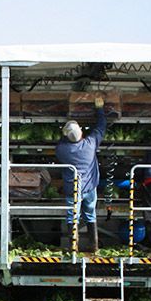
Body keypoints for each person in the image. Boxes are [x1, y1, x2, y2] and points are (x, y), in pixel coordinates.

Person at [54, 97, 107, 253]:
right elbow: (101, 127)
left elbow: (62, 141)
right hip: (90, 187)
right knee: (90, 215)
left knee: (73, 217)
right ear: (82, 133)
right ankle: (94, 245)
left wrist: (66, 133)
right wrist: (99, 109)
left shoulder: (62, 150)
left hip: (73, 188)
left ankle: (73, 247)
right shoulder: (90, 144)